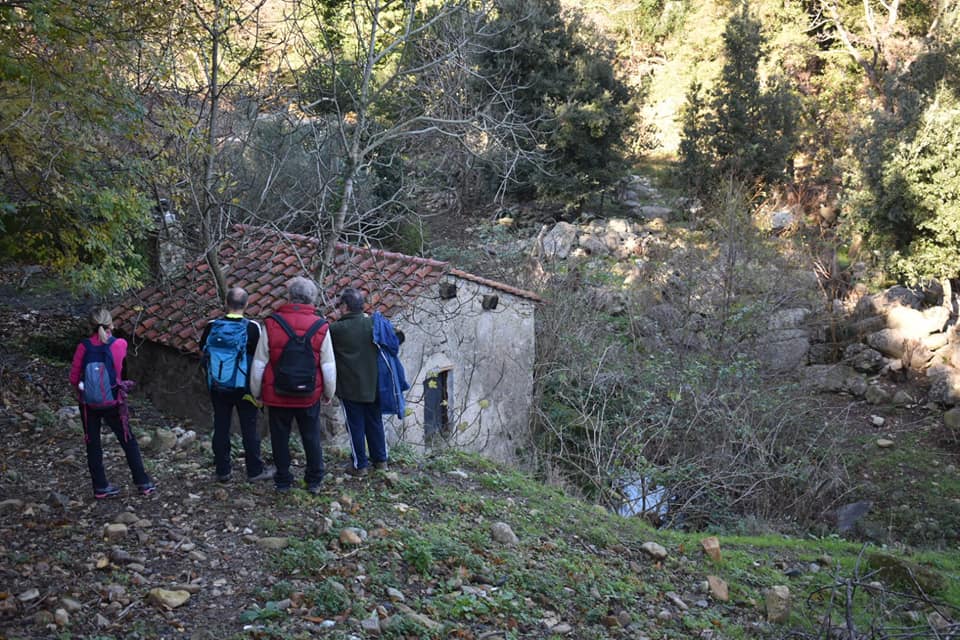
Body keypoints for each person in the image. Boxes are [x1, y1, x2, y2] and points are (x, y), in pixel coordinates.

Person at [250, 276, 336, 493]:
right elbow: (328, 366)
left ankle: (283, 481)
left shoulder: (271, 323)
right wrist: (329, 392)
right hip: (308, 394)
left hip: (278, 393)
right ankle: (314, 480)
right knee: (311, 436)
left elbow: (260, 362)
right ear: (312, 299)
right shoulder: (321, 326)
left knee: (279, 438)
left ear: (289, 297)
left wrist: (256, 391)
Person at [69, 308, 156, 499]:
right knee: (128, 441)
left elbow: (74, 376)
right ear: (111, 325)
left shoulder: (83, 347)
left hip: (88, 405)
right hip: (113, 402)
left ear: (90, 326)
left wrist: (83, 392)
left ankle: (100, 487)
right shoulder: (120, 345)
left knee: (93, 444)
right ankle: (143, 483)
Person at [199, 287, 273, 483]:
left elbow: (202, 350)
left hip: (217, 385)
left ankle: (223, 470)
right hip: (244, 386)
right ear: (246, 304)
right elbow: (260, 358)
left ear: (226, 302)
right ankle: (254, 471)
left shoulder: (212, 326)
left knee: (221, 425)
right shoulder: (252, 328)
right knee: (249, 427)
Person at [329, 287, 405, 476]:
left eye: (340, 305)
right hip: (376, 386)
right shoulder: (375, 324)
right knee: (375, 422)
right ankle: (381, 461)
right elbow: (397, 338)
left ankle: (359, 465)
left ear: (345, 307)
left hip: (349, 387)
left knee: (355, 426)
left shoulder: (336, 329)